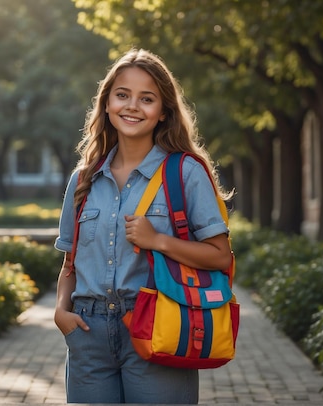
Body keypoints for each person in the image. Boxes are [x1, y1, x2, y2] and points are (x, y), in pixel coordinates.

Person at [53, 48, 233, 404]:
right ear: (106, 104)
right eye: (122, 95)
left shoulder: (185, 173)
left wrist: (158, 240)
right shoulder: (83, 179)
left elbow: (221, 257)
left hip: (157, 325)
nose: (132, 106)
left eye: (146, 99)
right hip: (88, 333)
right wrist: (62, 311)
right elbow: (69, 262)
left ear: (163, 111)